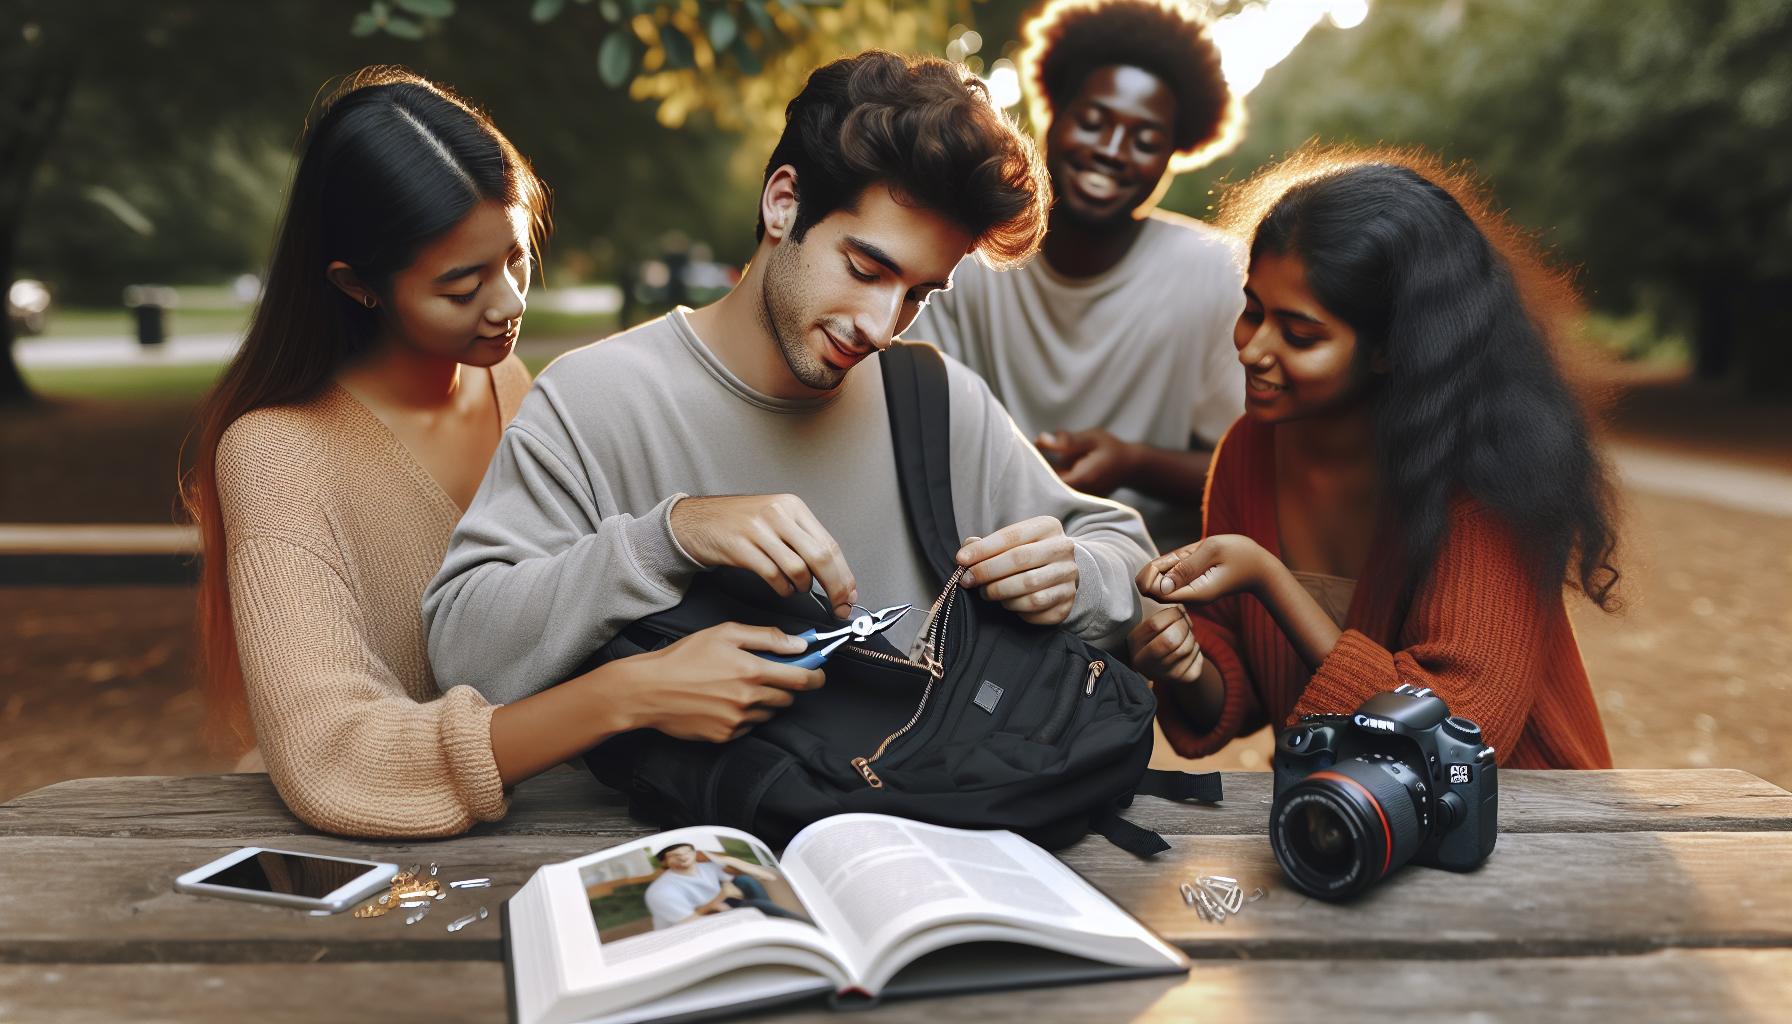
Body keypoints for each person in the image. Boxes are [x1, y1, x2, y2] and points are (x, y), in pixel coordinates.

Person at [183, 67, 821, 839]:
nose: (511, 303)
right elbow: (334, 755)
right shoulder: (276, 455)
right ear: (358, 286)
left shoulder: (512, 387)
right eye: (462, 287)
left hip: (555, 832)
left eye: (515, 259)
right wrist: (629, 695)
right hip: (382, 864)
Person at [423, 51, 1154, 708]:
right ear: (782, 203)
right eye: (866, 269)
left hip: (915, 833)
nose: (880, 323)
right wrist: (669, 536)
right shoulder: (595, 398)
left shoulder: (932, 397)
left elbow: (1130, 558)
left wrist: (1075, 576)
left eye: (917, 295)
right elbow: (463, 652)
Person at [1129, 149, 1620, 769]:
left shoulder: (1484, 478)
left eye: (1300, 335)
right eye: (1252, 310)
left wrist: (1269, 579)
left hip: (1523, 822)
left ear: (1392, 349)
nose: (1253, 349)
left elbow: (1456, 733)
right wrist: (1185, 663)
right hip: (1349, 823)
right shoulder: (1248, 451)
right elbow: (1236, 690)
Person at [907, 0, 1247, 549]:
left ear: (1173, 155)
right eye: (1093, 122)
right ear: (1054, 114)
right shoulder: (964, 250)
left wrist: (1133, 463)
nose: (1112, 151)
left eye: (1145, 139)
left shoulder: (1220, 271)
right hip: (976, 560)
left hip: (1151, 586)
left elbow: (1253, 472)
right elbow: (909, 422)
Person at [643, 844, 800, 930]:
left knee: (745, 881)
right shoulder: (661, 891)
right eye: (675, 855)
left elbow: (768, 877)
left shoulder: (704, 866)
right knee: (753, 906)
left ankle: (771, 921)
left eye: (687, 852)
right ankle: (787, 923)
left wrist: (726, 859)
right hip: (686, 928)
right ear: (665, 862)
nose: (683, 857)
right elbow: (688, 922)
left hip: (715, 905)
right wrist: (721, 897)